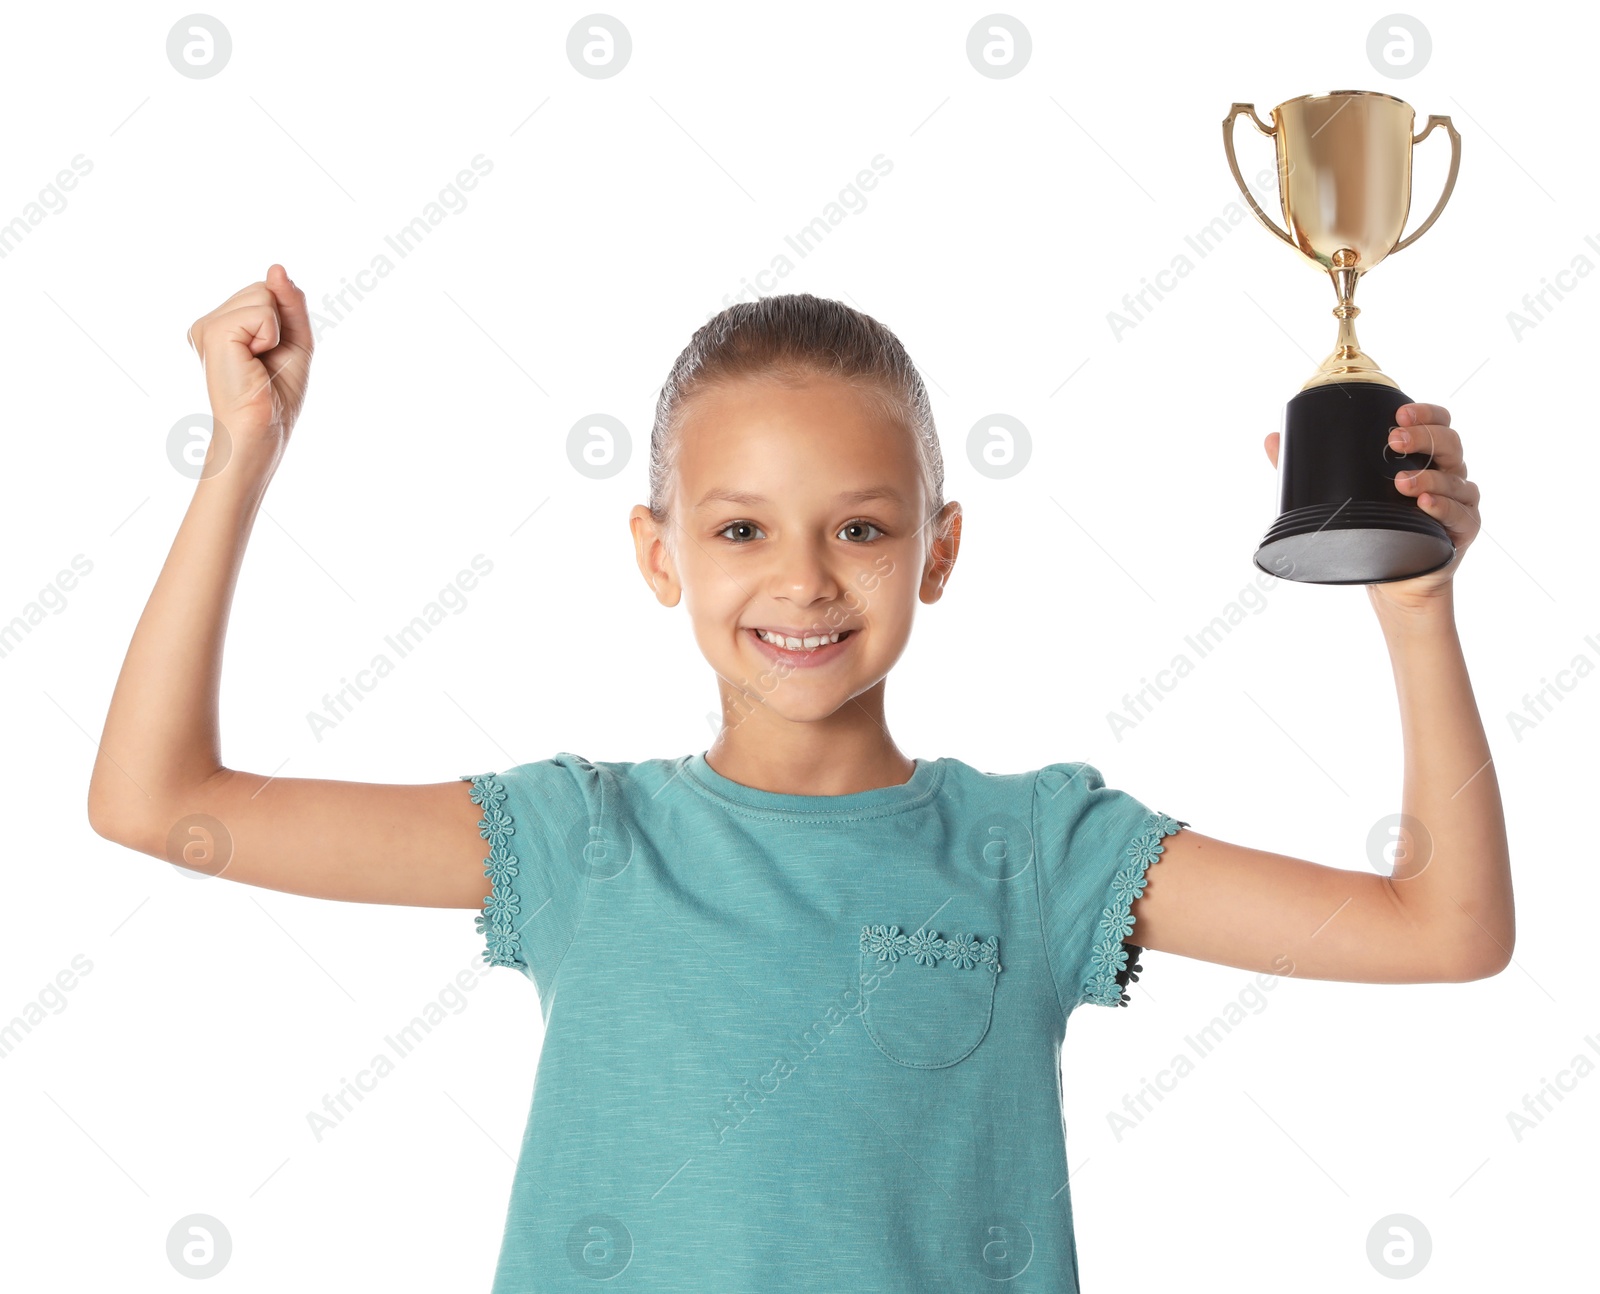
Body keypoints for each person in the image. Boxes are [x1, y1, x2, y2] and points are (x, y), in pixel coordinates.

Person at [87, 264, 1512, 1292]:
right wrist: (240, 457)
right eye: (742, 528)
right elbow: (157, 801)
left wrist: (1415, 611)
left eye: (863, 528)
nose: (804, 581)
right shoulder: (580, 841)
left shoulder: (1044, 852)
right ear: (660, 555)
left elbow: (1442, 927)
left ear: (939, 550)